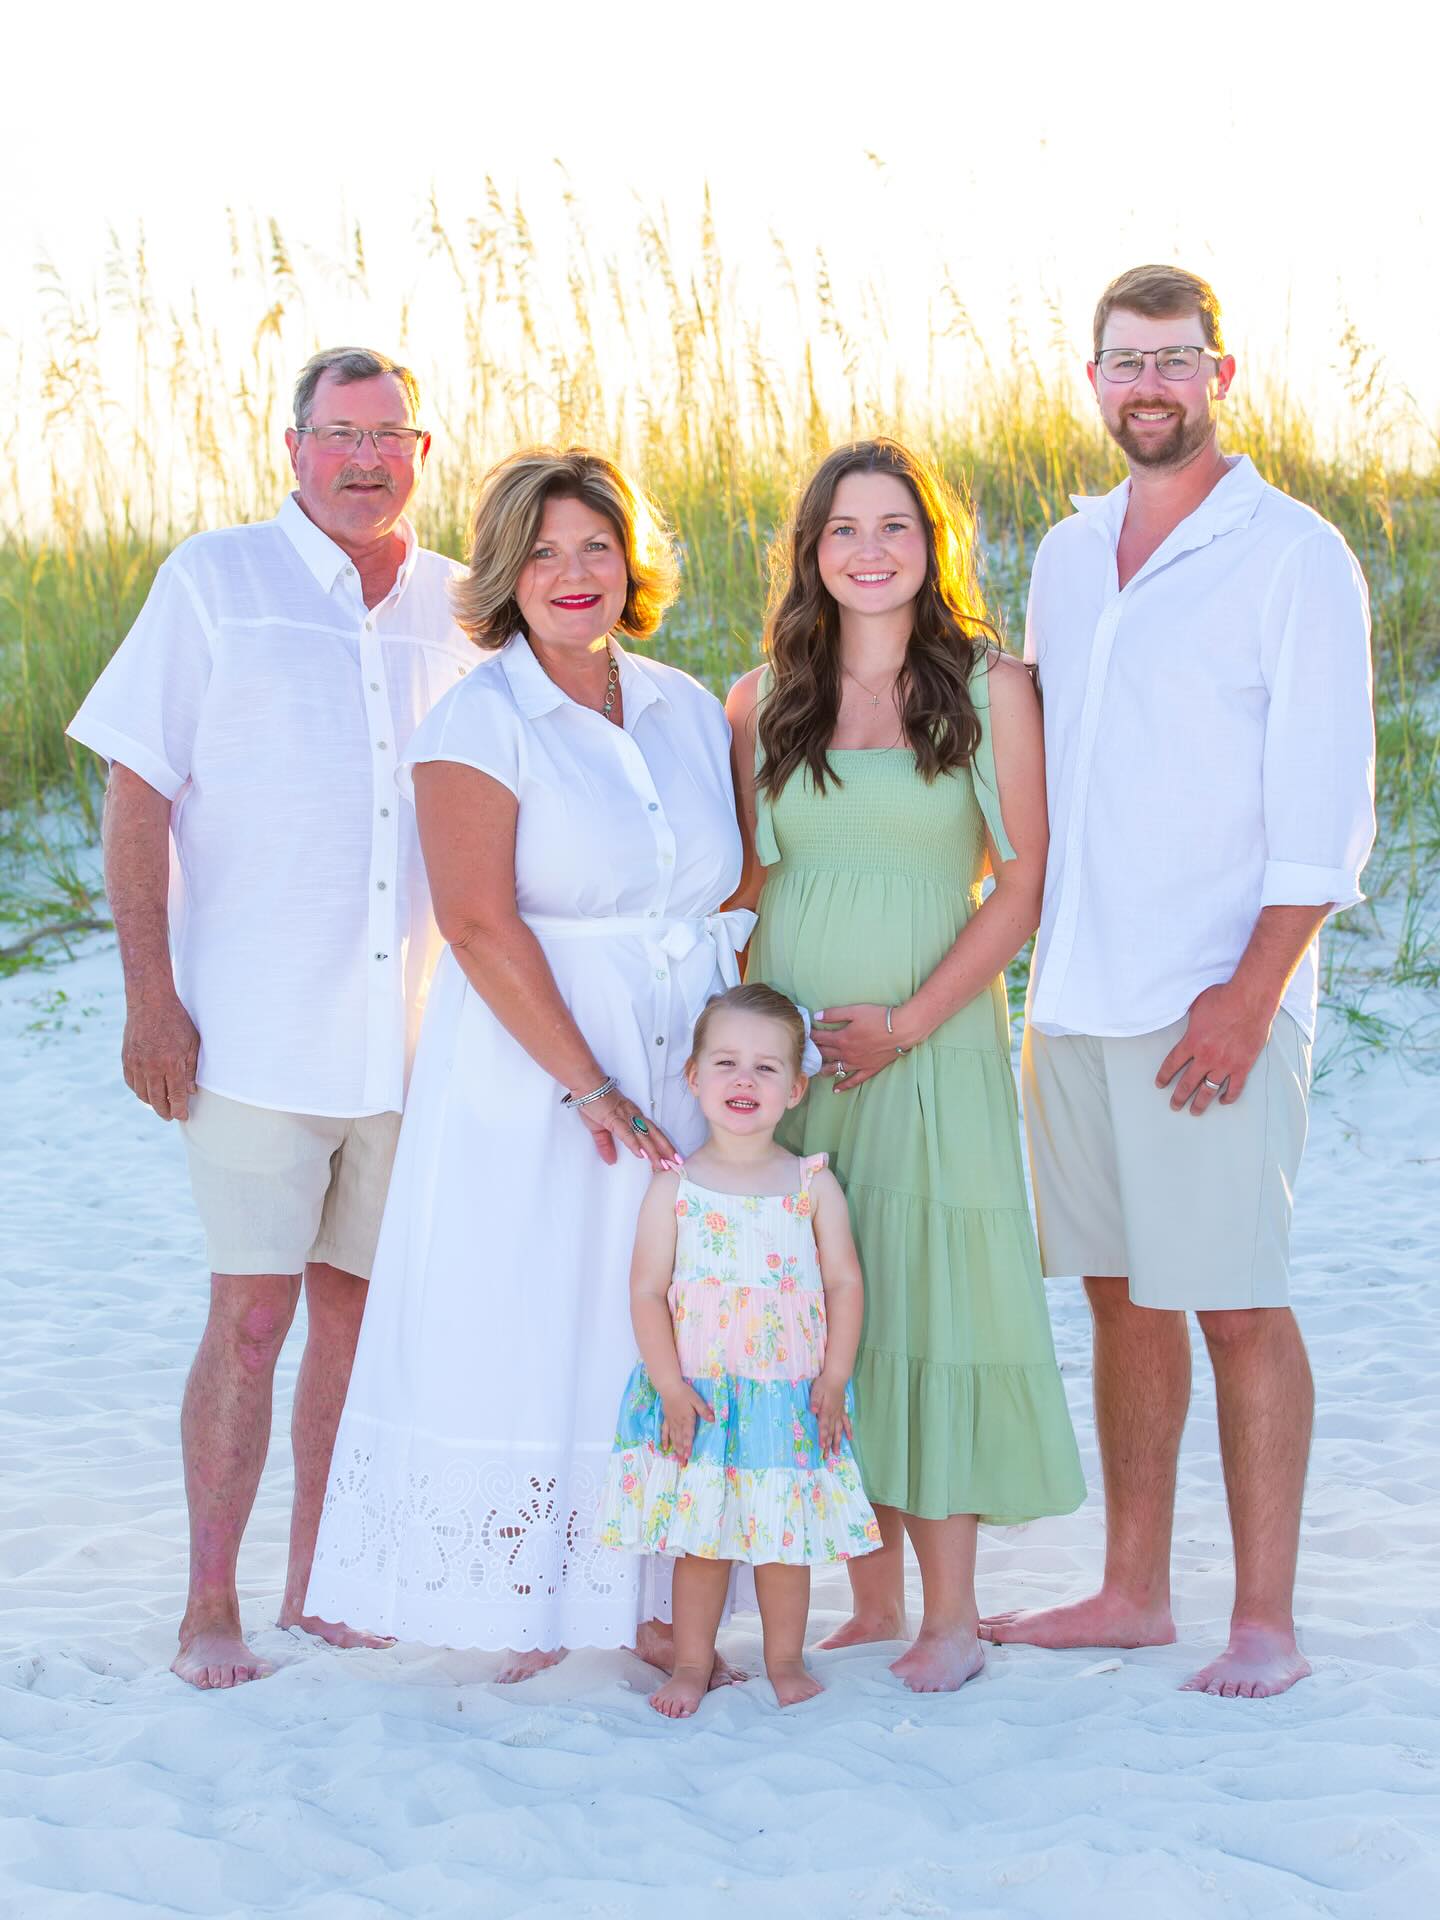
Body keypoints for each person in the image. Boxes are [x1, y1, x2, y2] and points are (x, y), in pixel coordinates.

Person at [980, 265, 1376, 1699]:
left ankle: (1265, 1620)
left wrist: (1252, 992)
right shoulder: (1069, 552)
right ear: (1093, 380)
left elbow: (1326, 807)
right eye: (1125, 362)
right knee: (1121, 1299)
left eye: (1174, 360)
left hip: (1212, 996)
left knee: (1236, 1302)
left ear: (1222, 374)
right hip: (1077, 994)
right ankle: (1132, 1592)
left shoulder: (1294, 555)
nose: (1149, 386)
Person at [304, 448, 754, 1684]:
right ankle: (533, 1601)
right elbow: (477, 920)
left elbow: (734, 883)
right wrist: (589, 1083)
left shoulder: (680, 706)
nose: (573, 573)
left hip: (679, 1050)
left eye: (596, 546)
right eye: (544, 552)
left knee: (659, 1322)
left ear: (630, 561)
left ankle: (651, 1600)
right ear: (506, 571)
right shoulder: (478, 719)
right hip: (540, 1066)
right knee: (546, 1314)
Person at [66, 347, 473, 1690]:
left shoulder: (462, 605)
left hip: (411, 1044)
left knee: (355, 1320)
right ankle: (209, 1604)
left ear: (421, 453)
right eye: (338, 434)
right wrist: (150, 996)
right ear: (292, 448)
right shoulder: (214, 582)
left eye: (388, 435)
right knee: (251, 1319)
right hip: (254, 1035)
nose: (364, 458)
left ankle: (321, 1585)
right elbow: (138, 793)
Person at [728, 438, 1085, 1694]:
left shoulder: (990, 689)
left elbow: (1021, 884)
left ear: (932, 547)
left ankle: (952, 1615)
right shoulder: (760, 699)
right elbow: (745, 891)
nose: (869, 551)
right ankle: (870, 1599)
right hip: (802, 1066)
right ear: (811, 552)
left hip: (931, 1050)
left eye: (895, 527)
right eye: (843, 529)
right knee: (825, 1310)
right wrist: (755, 1059)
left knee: (935, 1301)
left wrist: (911, 1022)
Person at [599, 983, 882, 1716]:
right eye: (725, 1063)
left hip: (789, 1396)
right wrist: (669, 1386)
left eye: (766, 1067)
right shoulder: (676, 1188)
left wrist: (835, 1377)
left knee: (784, 1541)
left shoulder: (811, 1184)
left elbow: (845, 1283)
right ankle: (692, 1663)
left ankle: (785, 1659)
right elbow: (645, 1292)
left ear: (795, 1088)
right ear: (694, 1078)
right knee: (702, 1543)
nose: (744, 1079)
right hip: (701, 1396)